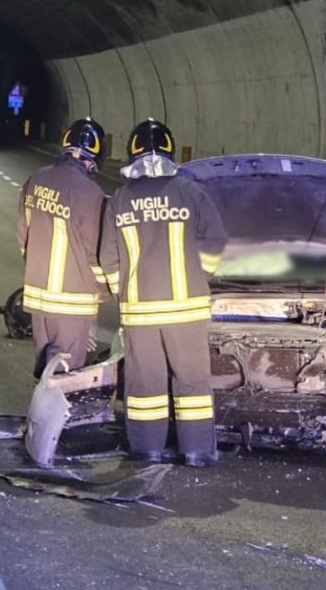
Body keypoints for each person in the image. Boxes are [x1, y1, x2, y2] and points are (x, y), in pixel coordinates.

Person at [100, 119, 227, 467]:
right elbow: (215, 242)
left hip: (140, 311)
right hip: (187, 310)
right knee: (192, 381)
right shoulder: (192, 194)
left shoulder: (120, 200)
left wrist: (122, 291)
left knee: (145, 383)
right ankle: (197, 451)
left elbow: (107, 258)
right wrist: (201, 275)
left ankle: (147, 449)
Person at [17, 118, 110, 378]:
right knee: (64, 375)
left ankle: (40, 406)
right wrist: (103, 291)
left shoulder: (36, 180)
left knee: (45, 370)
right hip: (72, 301)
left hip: (38, 296)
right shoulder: (88, 191)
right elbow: (95, 252)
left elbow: (23, 236)